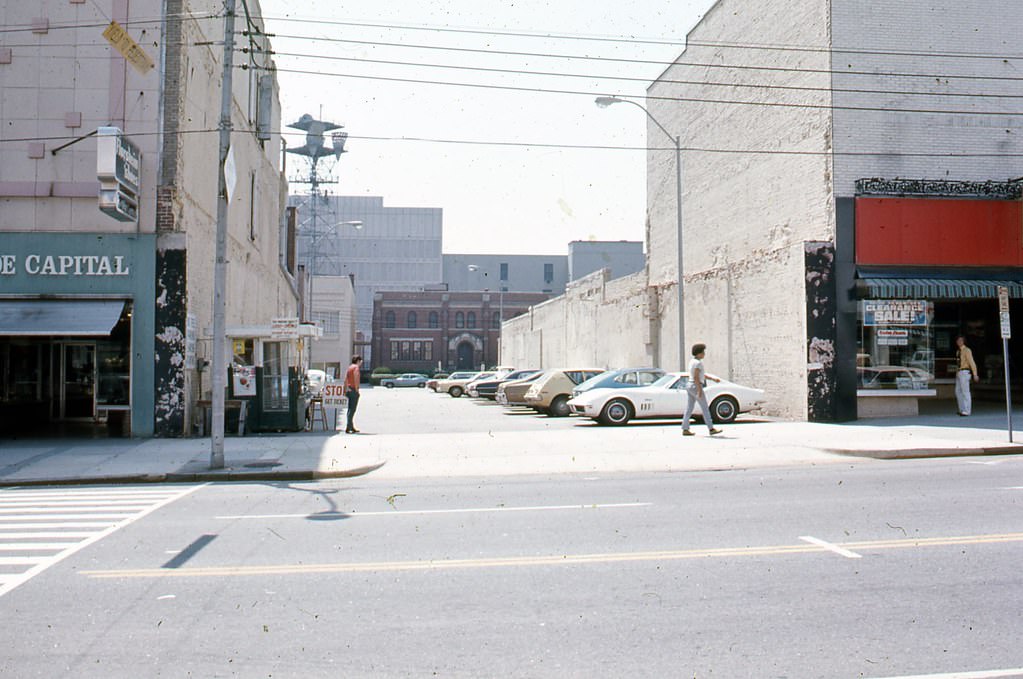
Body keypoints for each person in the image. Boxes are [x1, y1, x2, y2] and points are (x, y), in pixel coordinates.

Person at [682, 343, 722, 437]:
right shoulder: (698, 363)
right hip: (696, 386)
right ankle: (711, 428)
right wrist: (699, 390)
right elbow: (696, 377)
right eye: (703, 352)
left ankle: (685, 428)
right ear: (699, 353)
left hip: (690, 385)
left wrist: (712, 379)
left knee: (689, 408)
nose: (704, 354)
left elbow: (699, 375)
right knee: (705, 408)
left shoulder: (692, 361)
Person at [954, 335, 979, 416]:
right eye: (958, 340)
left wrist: (975, 374)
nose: (959, 342)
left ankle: (967, 410)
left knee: (965, 391)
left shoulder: (967, 350)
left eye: (961, 340)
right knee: (958, 391)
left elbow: (971, 362)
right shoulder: (958, 351)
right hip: (959, 372)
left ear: (964, 341)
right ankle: (962, 409)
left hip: (965, 371)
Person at [344, 355, 363, 433]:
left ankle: (350, 426)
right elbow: (356, 377)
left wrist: (345, 389)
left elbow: (346, 379)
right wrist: (357, 388)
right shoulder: (356, 368)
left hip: (349, 389)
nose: (361, 363)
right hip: (353, 389)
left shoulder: (349, 367)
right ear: (358, 361)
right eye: (361, 361)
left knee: (349, 409)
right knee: (353, 409)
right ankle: (349, 426)